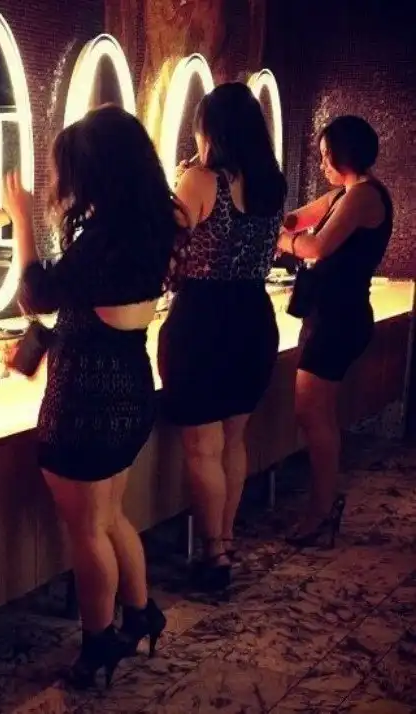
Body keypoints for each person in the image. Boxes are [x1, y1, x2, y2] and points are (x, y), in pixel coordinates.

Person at [2, 105, 187, 688]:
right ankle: (141, 612)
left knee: (87, 531)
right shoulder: (151, 226)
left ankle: (98, 642)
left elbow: (37, 295)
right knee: (109, 517)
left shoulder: (104, 239)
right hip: (129, 388)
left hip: (86, 398)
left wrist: (21, 220)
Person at [159, 82, 287, 591]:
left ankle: (213, 556)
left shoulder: (199, 180)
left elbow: (168, 252)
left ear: (210, 130)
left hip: (203, 321)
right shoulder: (272, 184)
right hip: (253, 318)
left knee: (202, 448)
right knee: (234, 440)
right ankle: (226, 541)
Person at [277, 115, 393, 547]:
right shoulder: (347, 192)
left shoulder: (363, 196)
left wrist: (278, 240)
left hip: (339, 319)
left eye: (327, 155)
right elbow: (299, 218)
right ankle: (323, 506)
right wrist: (274, 221)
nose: (322, 163)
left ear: (346, 154)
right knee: (315, 415)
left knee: (314, 416)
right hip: (331, 316)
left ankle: (320, 512)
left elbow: (316, 246)